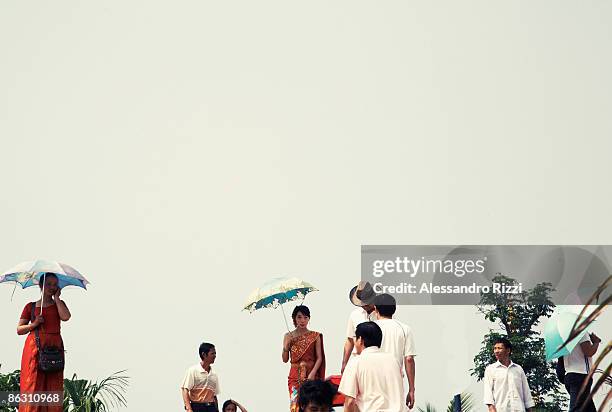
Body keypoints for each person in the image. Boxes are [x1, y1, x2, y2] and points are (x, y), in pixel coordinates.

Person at [16, 272, 71, 412]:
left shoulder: (59, 304)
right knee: (33, 384)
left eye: (54, 284)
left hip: (54, 349)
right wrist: (34, 324)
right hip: (35, 348)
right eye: (48, 284)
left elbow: (65, 317)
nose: (52, 287)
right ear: (41, 285)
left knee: (53, 386)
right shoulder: (31, 307)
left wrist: (57, 299)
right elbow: (19, 329)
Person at [338, 322, 406, 412]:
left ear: (361, 340)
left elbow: (349, 402)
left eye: (355, 338)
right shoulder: (394, 360)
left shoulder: (356, 362)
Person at [373, 293, 417, 410]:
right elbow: (409, 359)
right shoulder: (404, 329)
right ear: (394, 309)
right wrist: (411, 390)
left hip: (373, 379)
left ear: (376, 309)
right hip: (395, 380)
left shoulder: (370, 327)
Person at [282, 305, 326, 412]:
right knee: (295, 405)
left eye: (305, 317)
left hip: (311, 374)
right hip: (294, 376)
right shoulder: (288, 336)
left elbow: (319, 358)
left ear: (309, 319)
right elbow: (285, 359)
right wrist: (285, 347)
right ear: (294, 319)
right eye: (299, 317)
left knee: (312, 404)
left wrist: (312, 373)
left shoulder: (315, 336)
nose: (302, 320)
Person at [483, 337, 534, 412]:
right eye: (495, 348)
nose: (496, 351)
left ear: (508, 350)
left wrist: (530, 409)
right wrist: (492, 409)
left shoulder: (518, 369)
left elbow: (526, 393)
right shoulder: (490, 369)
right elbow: (488, 394)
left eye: (499, 348)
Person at [341, 281, 377, 374]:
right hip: (358, 361)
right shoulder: (355, 315)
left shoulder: (382, 315)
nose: (365, 306)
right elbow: (350, 340)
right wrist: (344, 363)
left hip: (376, 362)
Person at [562, 332, 601, 412]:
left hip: (570, 375)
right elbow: (588, 352)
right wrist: (596, 342)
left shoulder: (565, 334)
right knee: (576, 408)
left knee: (589, 409)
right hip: (580, 376)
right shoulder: (581, 332)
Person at [181, 342, 221, 412]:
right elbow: (185, 390)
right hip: (197, 407)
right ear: (204, 354)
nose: (215, 356)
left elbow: (214, 396)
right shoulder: (193, 371)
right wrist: (189, 409)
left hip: (211, 407)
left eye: (215, 353)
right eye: (212, 353)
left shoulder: (214, 375)